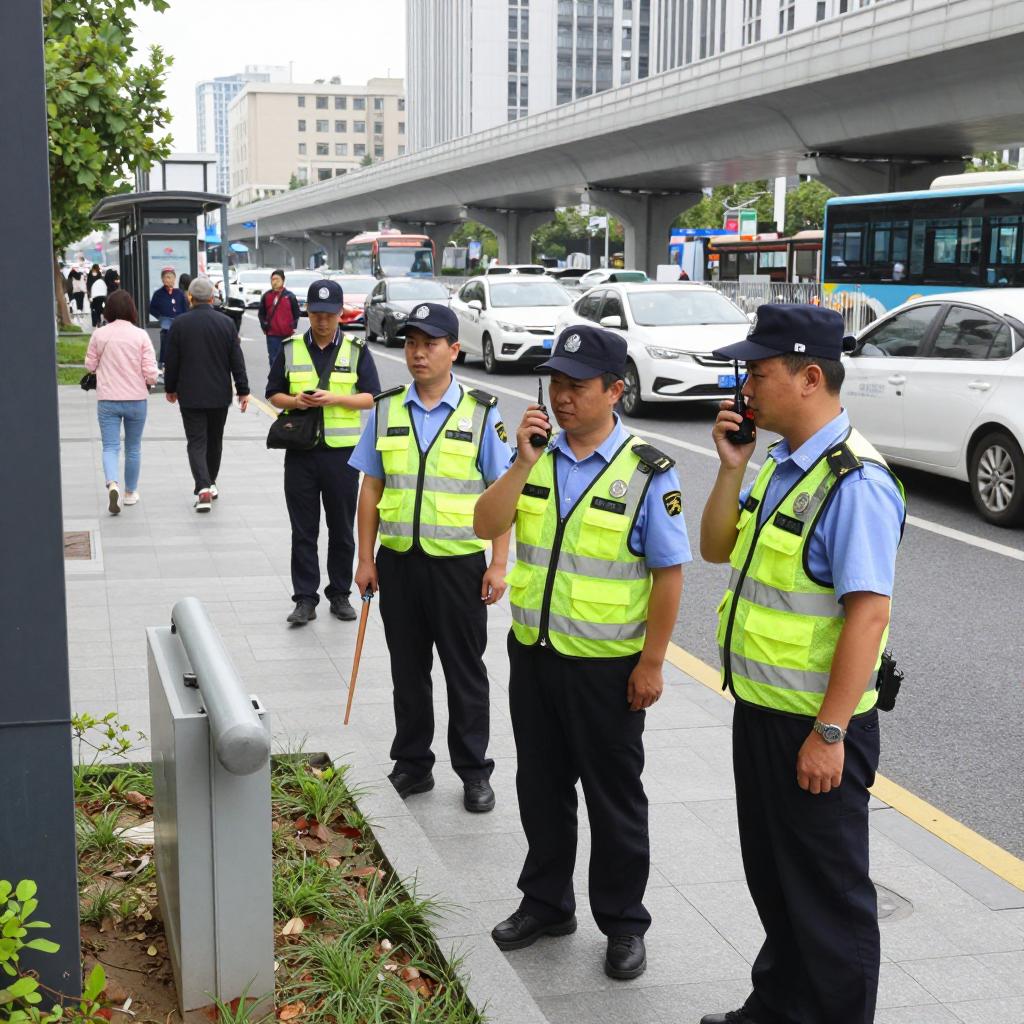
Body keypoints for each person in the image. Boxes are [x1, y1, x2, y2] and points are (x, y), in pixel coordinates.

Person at [697, 304, 905, 1024]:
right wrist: (731, 470)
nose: (744, 386)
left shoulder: (857, 483)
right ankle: (779, 1005)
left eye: (757, 372)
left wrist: (829, 733)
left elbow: (868, 615)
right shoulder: (783, 466)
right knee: (777, 883)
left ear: (809, 376)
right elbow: (717, 549)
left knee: (830, 901)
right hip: (760, 711)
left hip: (813, 729)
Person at [474, 325, 689, 980]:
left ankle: (624, 922)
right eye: (556, 384)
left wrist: (652, 663)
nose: (563, 397)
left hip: (607, 669)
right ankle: (546, 902)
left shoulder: (648, 471)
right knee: (540, 787)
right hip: (534, 656)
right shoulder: (536, 458)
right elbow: (485, 525)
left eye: (578, 385)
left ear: (614, 390)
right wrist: (521, 462)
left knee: (613, 798)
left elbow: (669, 574)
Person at [351, 303, 511, 814]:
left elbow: (503, 493)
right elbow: (370, 488)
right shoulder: (386, 407)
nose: (418, 353)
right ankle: (414, 764)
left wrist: (498, 563)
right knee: (407, 670)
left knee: (465, 672)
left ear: (453, 350)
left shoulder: (482, 413)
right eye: (411, 342)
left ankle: (474, 772)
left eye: (431, 343)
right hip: (397, 562)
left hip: (459, 566)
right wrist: (365, 559)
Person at [266, 278, 381, 624]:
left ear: (340, 315)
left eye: (329, 315)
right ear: (307, 313)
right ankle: (305, 598)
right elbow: (273, 393)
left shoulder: (357, 351)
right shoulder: (289, 349)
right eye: (316, 314)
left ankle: (340, 593)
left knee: (342, 528)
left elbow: (370, 397)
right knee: (303, 529)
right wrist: (296, 402)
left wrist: (335, 399)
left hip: (342, 455)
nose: (322, 321)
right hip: (301, 453)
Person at [164, 276, 250, 512]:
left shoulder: (179, 324)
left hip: (190, 395)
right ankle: (210, 483)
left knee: (196, 441)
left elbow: (172, 361)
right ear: (212, 298)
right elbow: (236, 360)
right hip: (219, 395)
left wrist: (170, 388)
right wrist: (243, 390)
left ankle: (203, 486)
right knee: (215, 441)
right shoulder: (226, 323)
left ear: (189, 297)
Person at [84, 289, 159, 514]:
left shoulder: (100, 334)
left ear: (108, 309)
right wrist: (152, 379)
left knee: (110, 446)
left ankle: (112, 483)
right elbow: (150, 372)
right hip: (136, 399)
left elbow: (89, 365)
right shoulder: (140, 335)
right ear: (131, 309)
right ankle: (130, 493)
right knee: (133, 447)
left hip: (108, 399)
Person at [258, 269, 301, 370]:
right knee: (274, 359)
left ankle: (287, 381)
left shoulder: (289, 296)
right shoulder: (266, 296)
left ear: (283, 280)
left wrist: (293, 326)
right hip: (272, 335)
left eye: (277, 279)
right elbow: (261, 313)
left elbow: (296, 313)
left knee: (288, 360)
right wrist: (264, 326)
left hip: (288, 334)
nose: (275, 282)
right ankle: (274, 382)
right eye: (273, 279)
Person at [149, 269, 188, 374]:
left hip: (179, 324)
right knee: (165, 345)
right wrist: (160, 317)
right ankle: (163, 365)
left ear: (174, 279)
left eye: (170, 277)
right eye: (165, 277)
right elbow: (152, 309)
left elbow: (185, 309)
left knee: (180, 345)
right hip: (166, 325)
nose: (167, 279)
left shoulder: (179, 293)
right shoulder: (158, 294)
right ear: (162, 279)